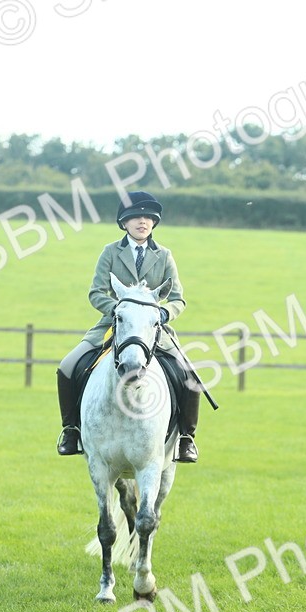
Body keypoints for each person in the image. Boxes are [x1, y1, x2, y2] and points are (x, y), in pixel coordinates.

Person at [56, 191, 200, 463]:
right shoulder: (110, 252)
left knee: (189, 375)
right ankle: (71, 430)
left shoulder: (165, 255)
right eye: (135, 218)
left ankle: (186, 438)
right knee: (67, 367)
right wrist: (119, 311)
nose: (142, 222)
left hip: (152, 330)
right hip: (113, 325)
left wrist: (164, 313)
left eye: (147, 218)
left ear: (154, 223)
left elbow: (178, 299)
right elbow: (96, 292)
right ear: (124, 223)